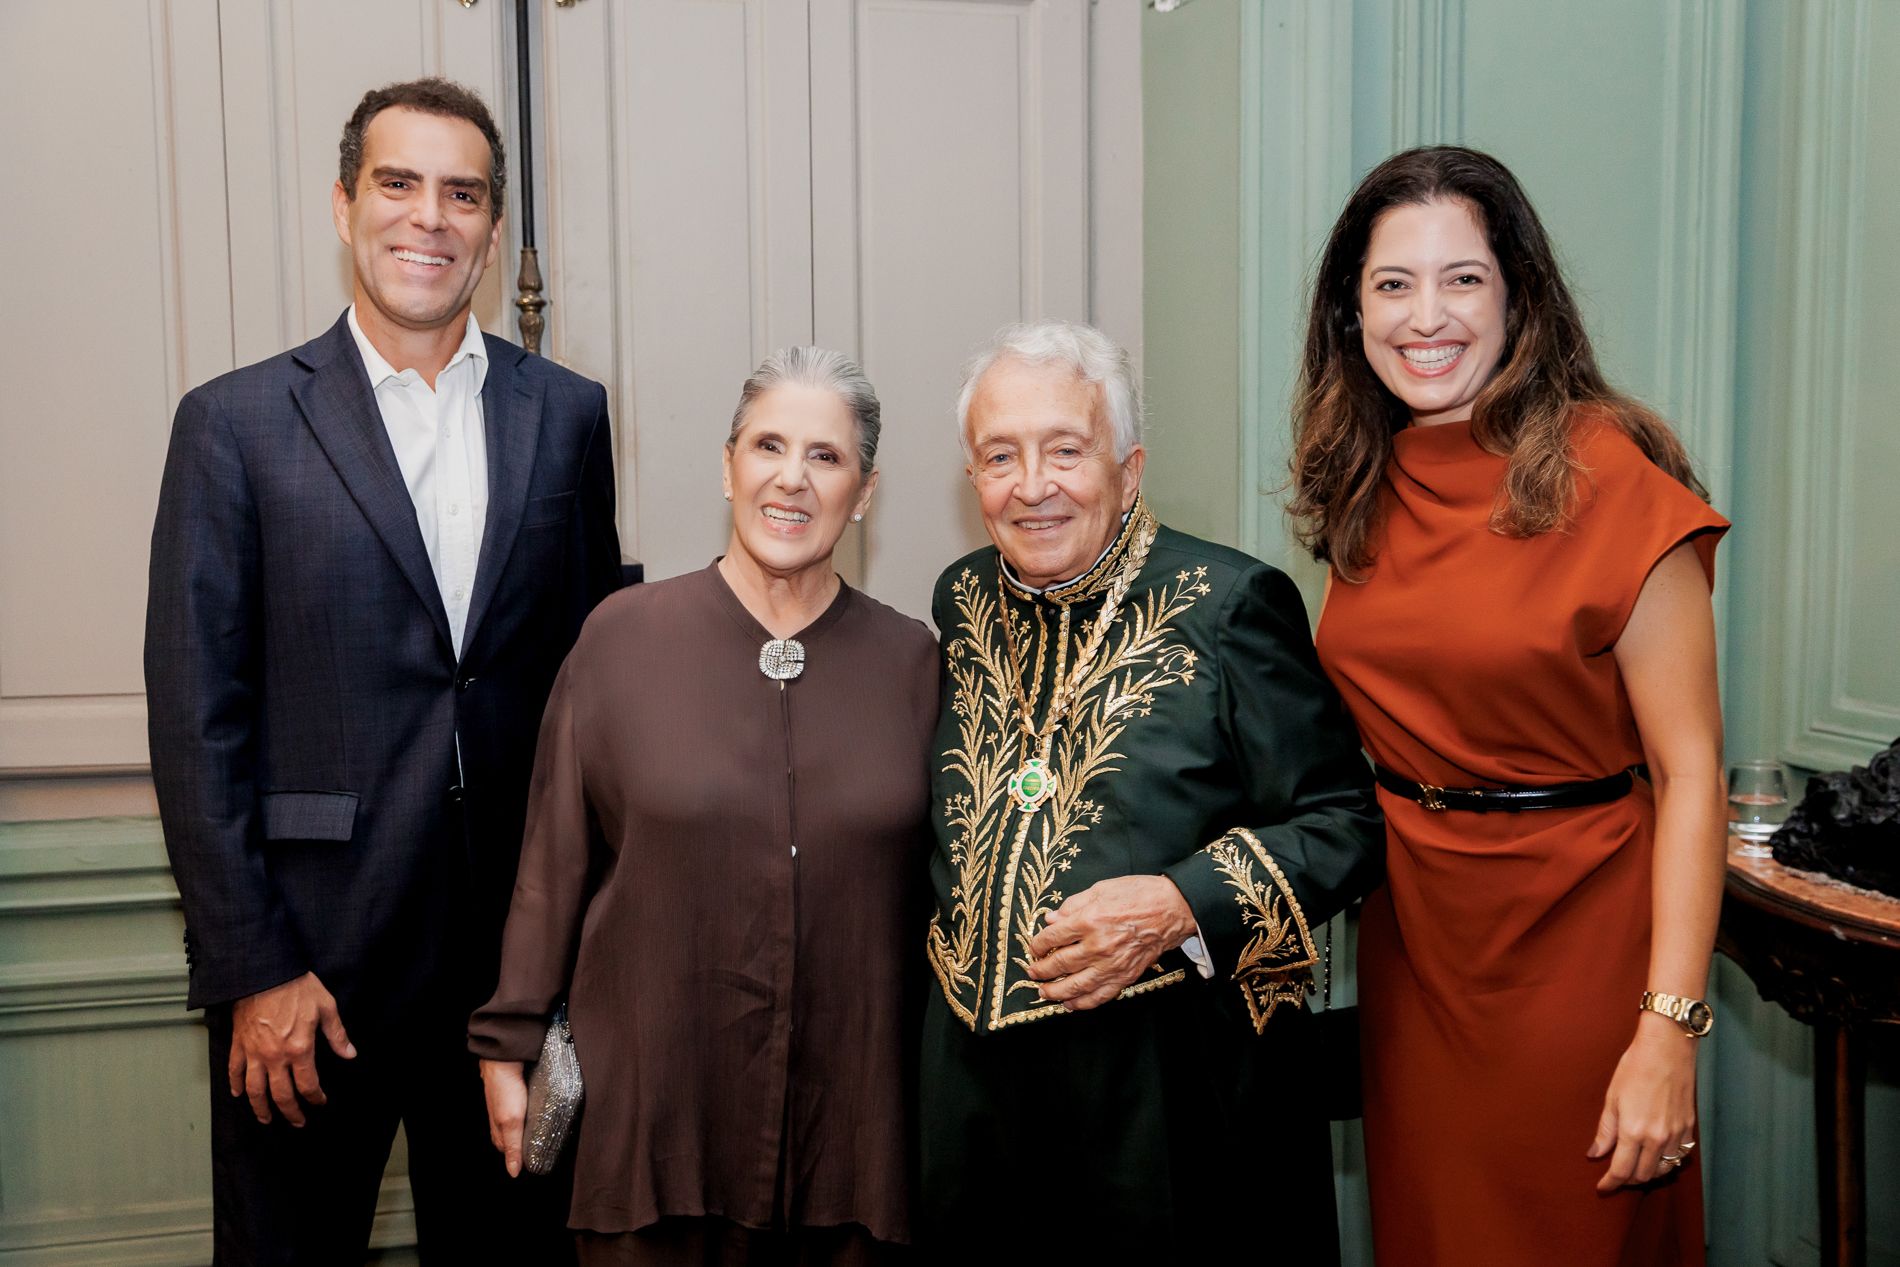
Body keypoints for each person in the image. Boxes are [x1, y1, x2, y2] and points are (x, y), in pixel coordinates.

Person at [144, 77, 621, 1264]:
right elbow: (196, 718)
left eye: (462, 194)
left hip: (505, 974)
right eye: (399, 184)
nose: (431, 218)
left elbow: (589, 698)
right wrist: (256, 968)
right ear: (345, 203)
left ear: (493, 227)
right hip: (311, 973)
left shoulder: (564, 415)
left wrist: (569, 959)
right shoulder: (235, 424)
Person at [1293, 145, 1728, 1265]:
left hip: (1579, 940)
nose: (1424, 316)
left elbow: (1688, 777)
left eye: (1462, 279)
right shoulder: (1366, 474)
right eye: (1391, 285)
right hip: (1416, 948)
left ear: (1518, 295)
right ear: (1351, 313)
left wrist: (1666, 1030)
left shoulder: (1614, 476)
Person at [917, 320, 1384, 1260]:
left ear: (1128, 469)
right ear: (974, 482)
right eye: (1000, 455)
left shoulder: (1231, 604)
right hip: (977, 1090)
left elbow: (1345, 824)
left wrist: (1180, 901)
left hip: (1168, 1093)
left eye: (1065, 450)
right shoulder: (960, 600)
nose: (1033, 484)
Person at [470, 347, 937, 1265]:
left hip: (854, 1137)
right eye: (768, 445)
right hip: (653, 1125)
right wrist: (506, 1042)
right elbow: (551, 863)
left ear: (866, 491)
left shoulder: (913, 662)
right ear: (728, 466)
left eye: (827, 456)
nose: (791, 479)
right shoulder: (621, 638)